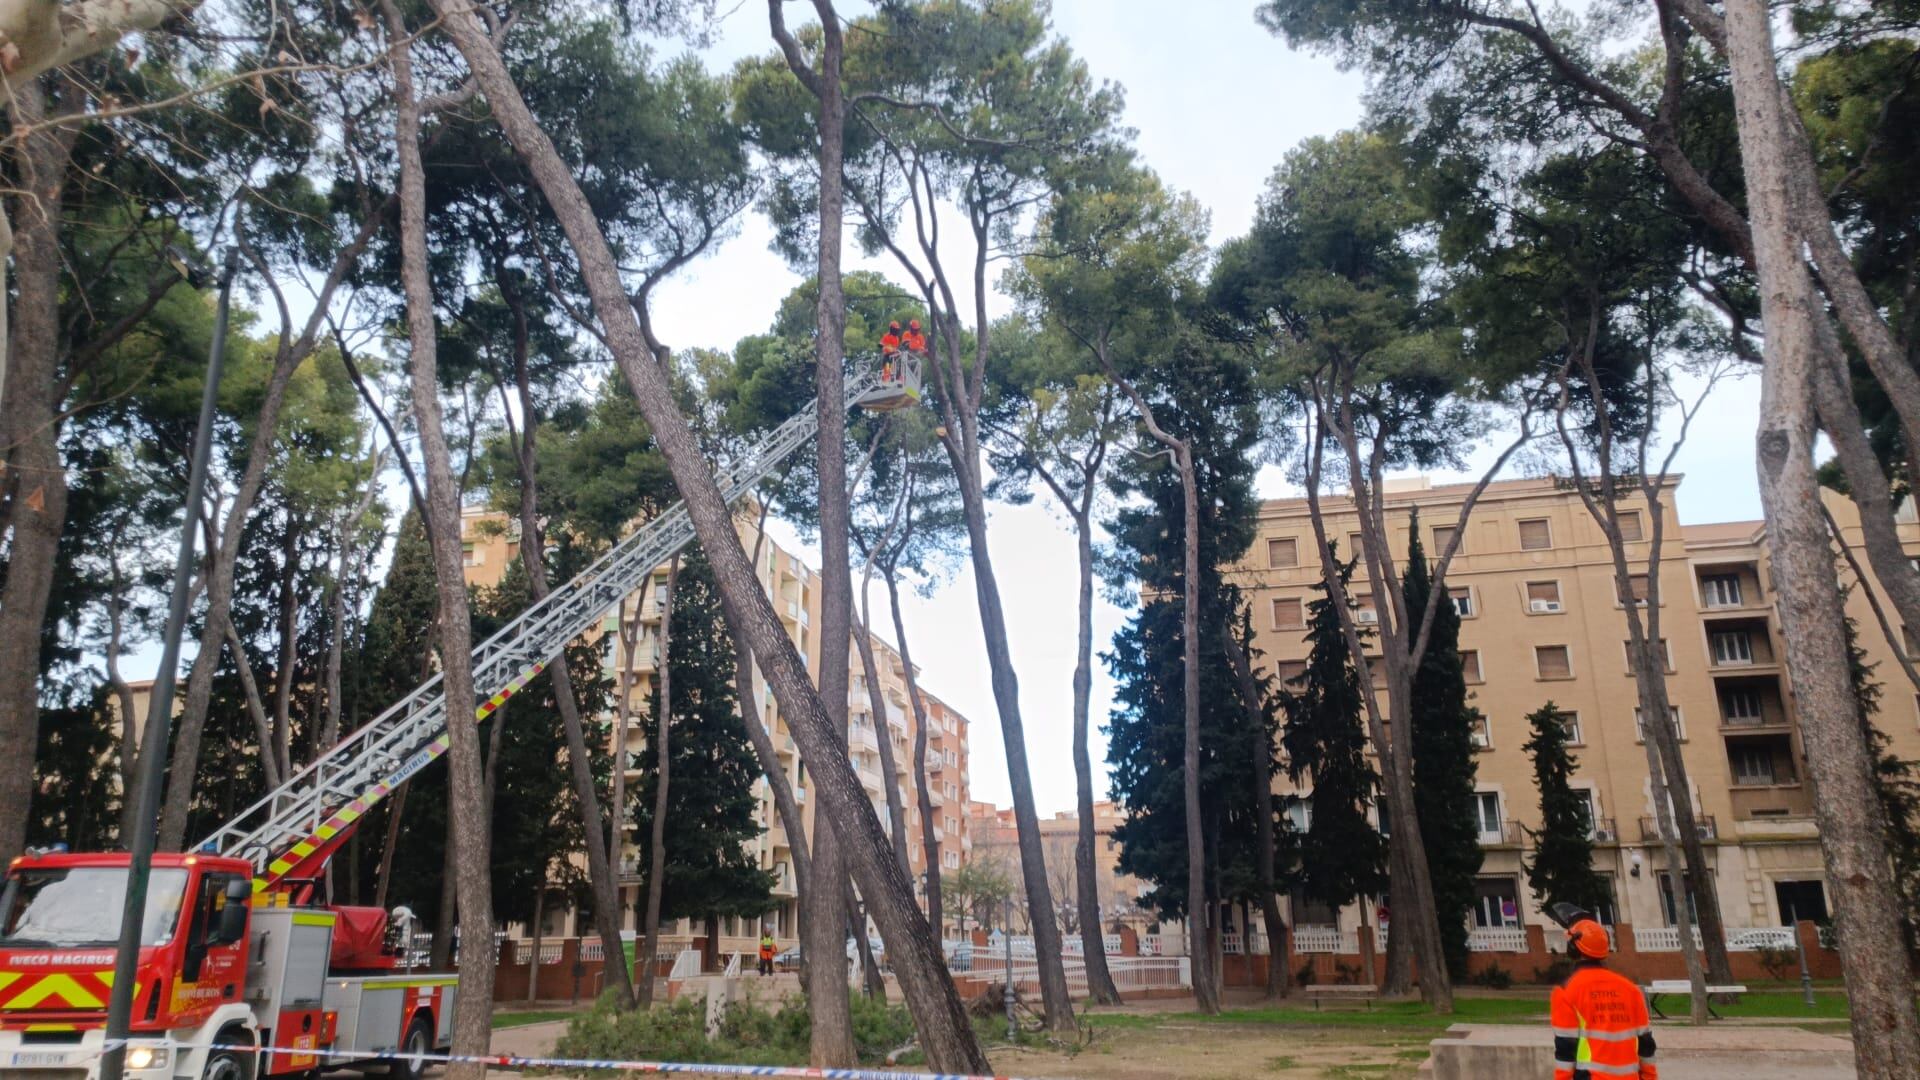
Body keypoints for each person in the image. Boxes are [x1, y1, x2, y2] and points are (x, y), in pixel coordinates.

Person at [1550, 912, 1657, 1080]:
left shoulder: (1566, 992)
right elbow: (1646, 1045)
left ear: (1573, 949)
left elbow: (1565, 1049)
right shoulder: (1630, 990)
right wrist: (1650, 1077)